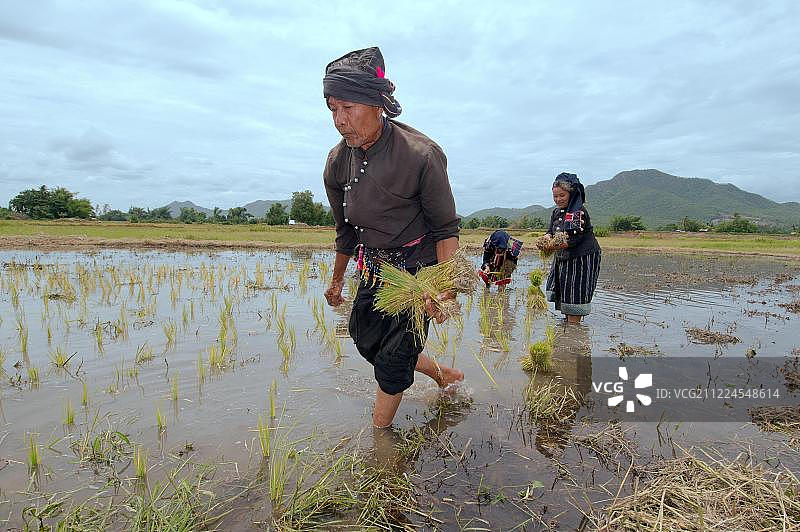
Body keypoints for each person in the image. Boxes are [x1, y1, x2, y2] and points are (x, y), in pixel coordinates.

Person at [321, 47, 464, 429]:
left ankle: (379, 444)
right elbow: (345, 232)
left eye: (347, 107)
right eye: (332, 109)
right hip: (375, 266)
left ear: (377, 103)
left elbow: (445, 230)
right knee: (364, 336)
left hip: (418, 273)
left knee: (392, 361)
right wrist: (337, 279)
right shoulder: (337, 163)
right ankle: (441, 374)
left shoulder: (422, 155)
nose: (339, 120)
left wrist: (445, 291)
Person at [542, 172, 601, 324]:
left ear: (571, 193)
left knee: (575, 292)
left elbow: (573, 240)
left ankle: (574, 330)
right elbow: (551, 231)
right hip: (564, 256)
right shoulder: (556, 212)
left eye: (562, 195)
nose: (558, 199)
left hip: (581, 257)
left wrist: (551, 246)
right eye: (555, 196)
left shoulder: (578, 212)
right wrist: (545, 239)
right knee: (564, 290)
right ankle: (568, 326)